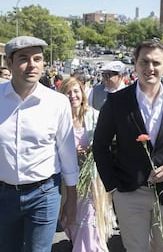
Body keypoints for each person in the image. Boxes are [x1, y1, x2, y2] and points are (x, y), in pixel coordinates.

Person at [0, 36, 79, 252]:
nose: (32, 64)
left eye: (37, 58)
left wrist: (72, 198)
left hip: (45, 193)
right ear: (9, 63)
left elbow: (67, 154)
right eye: (24, 58)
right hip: (2, 195)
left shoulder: (57, 103)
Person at [93, 39, 163, 252]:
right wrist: (112, 186)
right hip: (129, 191)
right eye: (144, 62)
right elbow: (100, 145)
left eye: (156, 63)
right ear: (135, 64)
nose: (150, 68)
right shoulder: (117, 101)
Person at [58, 77, 116, 251]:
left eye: (76, 91)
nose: (73, 95)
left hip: (91, 177)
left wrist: (92, 149)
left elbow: (105, 142)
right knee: (70, 217)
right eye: (68, 92)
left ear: (82, 94)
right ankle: (79, 243)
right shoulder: (59, 118)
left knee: (89, 218)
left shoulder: (93, 115)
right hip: (67, 178)